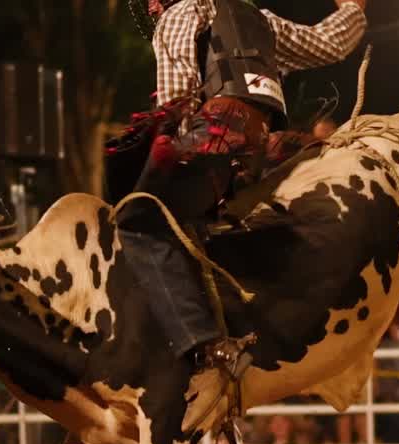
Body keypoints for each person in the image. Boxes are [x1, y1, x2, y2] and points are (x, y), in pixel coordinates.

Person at [116, 0, 367, 395]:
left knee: (140, 221)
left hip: (216, 134)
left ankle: (207, 345)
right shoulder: (257, 18)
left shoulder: (180, 15)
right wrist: (352, 8)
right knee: (199, 227)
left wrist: (165, 138)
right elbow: (327, 43)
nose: (150, 5)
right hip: (261, 144)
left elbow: (177, 96)